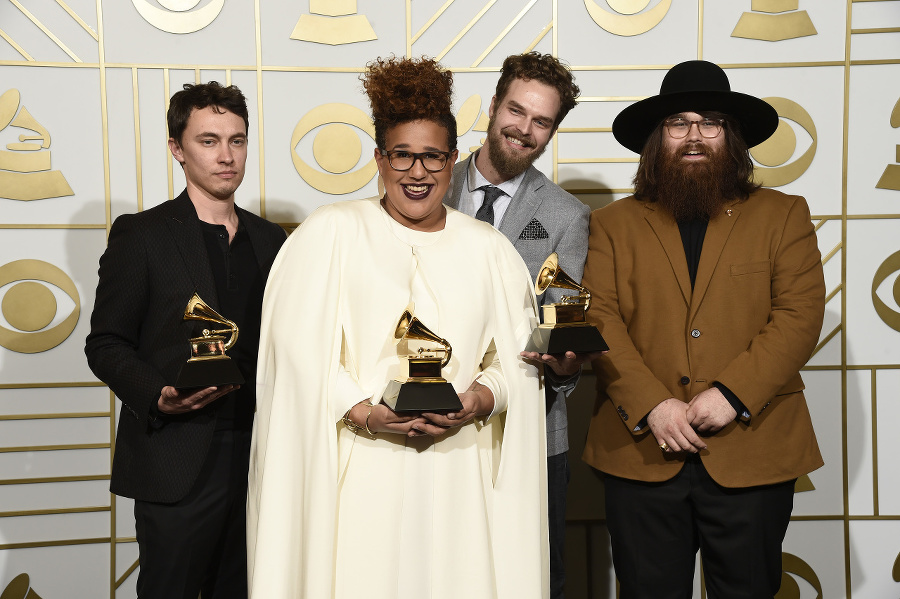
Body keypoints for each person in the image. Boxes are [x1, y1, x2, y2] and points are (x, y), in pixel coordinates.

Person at [246, 56, 548, 599]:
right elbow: (296, 357)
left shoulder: (490, 252)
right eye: (402, 155)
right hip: (363, 472)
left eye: (432, 157)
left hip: (462, 471)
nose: (417, 172)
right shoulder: (331, 234)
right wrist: (366, 413)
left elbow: (517, 364)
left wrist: (476, 401)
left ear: (453, 159)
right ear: (380, 159)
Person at [581, 60, 825, 598]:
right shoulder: (610, 224)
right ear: (657, 140)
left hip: (752, 450)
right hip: (641, 451)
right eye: (678, 123)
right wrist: (653, 404)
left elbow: (800, 314)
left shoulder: (783, 215)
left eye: (709, 122)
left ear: (731, 138)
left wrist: (732, 394)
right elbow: (599, 317)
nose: (694, 135)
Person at [85, 82, 286, 599]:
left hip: (260, 456)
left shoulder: (272, 240)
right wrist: (158, 395)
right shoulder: (143, 234)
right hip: (176, 456)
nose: (227, 156)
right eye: (208, 140)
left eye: (237, 141)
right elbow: (105, 343)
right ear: (177, 148)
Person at [446, 51, 590, 599]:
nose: (524, 129)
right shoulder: (429, 181)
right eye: (516, 110)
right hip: (433, 416)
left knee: (530, 579)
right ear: (492, 105)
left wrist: (564, 362)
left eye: (542, 121)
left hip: (529, 432)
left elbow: (563, 328)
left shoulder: (565, 215)